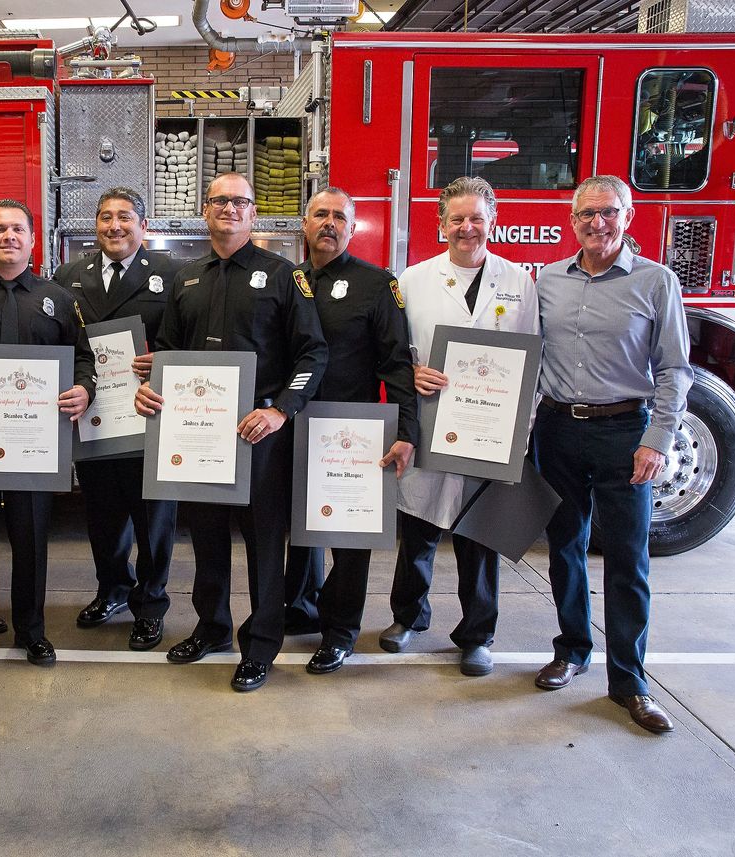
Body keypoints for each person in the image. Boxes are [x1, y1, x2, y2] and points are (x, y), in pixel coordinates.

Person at [135, 172, 328, 692]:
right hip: (198, 433)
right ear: (206, 210)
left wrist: (282, 411)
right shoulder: (187, 277)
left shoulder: (285, 276)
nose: (228, 209)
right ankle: (213, 626)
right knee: (206, 536)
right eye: (219, 201)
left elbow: (313, 353)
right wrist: (151, 390)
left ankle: (261, 643)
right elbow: (170, 353)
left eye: (239, 201)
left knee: (264, 543)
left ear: (253, 211)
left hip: (259, 432)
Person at [532, 175, 692, 733]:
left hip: (625, 431)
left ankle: (629, 681)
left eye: (608, 212)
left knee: (627, 559)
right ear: (570, 220)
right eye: (586, 214)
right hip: (556, 429)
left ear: (628, 216)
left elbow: (674, 370)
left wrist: (657, 441)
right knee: (564, 547)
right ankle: (572, 649)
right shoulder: (548, 280)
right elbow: (526, 356)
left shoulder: (656, 282)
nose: (597, 223)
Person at [379, 176, 539, 677]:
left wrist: (521, 434)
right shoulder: (412, 280)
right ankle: (408, 617)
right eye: (457, 218)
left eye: (476, 218)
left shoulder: (518, 282)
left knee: (480, 535)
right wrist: (411, 372)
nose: (466, 227)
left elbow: (531, 360)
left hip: (490, 433)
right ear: (440, 223)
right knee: (420, 530)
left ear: (492, 222)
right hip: (430, 426)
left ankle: (477, 635)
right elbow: (392, 353)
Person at [0, 200, 95, 672]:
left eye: (18, 229)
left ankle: (33, 632)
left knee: (31, 540)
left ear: (33, 239)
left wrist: (83, 390)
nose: (9, 236)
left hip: (35, 444)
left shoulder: (59, 299)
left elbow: (85, 358)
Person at [279, 187, 419, 675]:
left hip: (352, 430)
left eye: (340, 217)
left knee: (349, 539)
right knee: (299, 530)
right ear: (304, 222)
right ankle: (299, 610)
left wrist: (406, 430)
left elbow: (397, 365)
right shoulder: (287, 278)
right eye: (320, 214)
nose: (330, 224)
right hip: (291, 425)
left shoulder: (378, 284)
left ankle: (340, 632)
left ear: (353, 228)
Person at [52, 187, 181, 651]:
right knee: (102, 516)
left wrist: (163, 360)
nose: (114, 226)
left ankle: (151, 605)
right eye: (105, 217)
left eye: (125, 217)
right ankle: (113, 590)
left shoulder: (171, 274)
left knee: (154, 521)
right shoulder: (68, 276)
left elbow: (186, 339)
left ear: (143, 226)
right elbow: (57, 338)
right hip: (95, 418)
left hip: (147, 416)